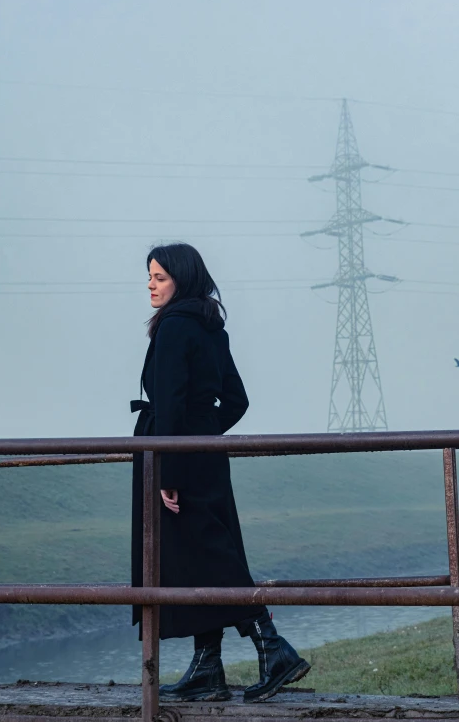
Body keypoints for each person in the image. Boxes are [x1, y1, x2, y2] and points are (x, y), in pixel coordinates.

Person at [130, 242, 310, 703]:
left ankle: (274, 648)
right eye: (149, 276)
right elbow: (237, 402)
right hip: (204, 452)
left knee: (209, 557)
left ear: (182, 279)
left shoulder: (173, 329)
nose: (150, 285)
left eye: (159, 277)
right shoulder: (211, 328)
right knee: (202, 552)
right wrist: (205, 432)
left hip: (178, 456)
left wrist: (169, 469)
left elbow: (168, 404)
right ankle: (208, 668)